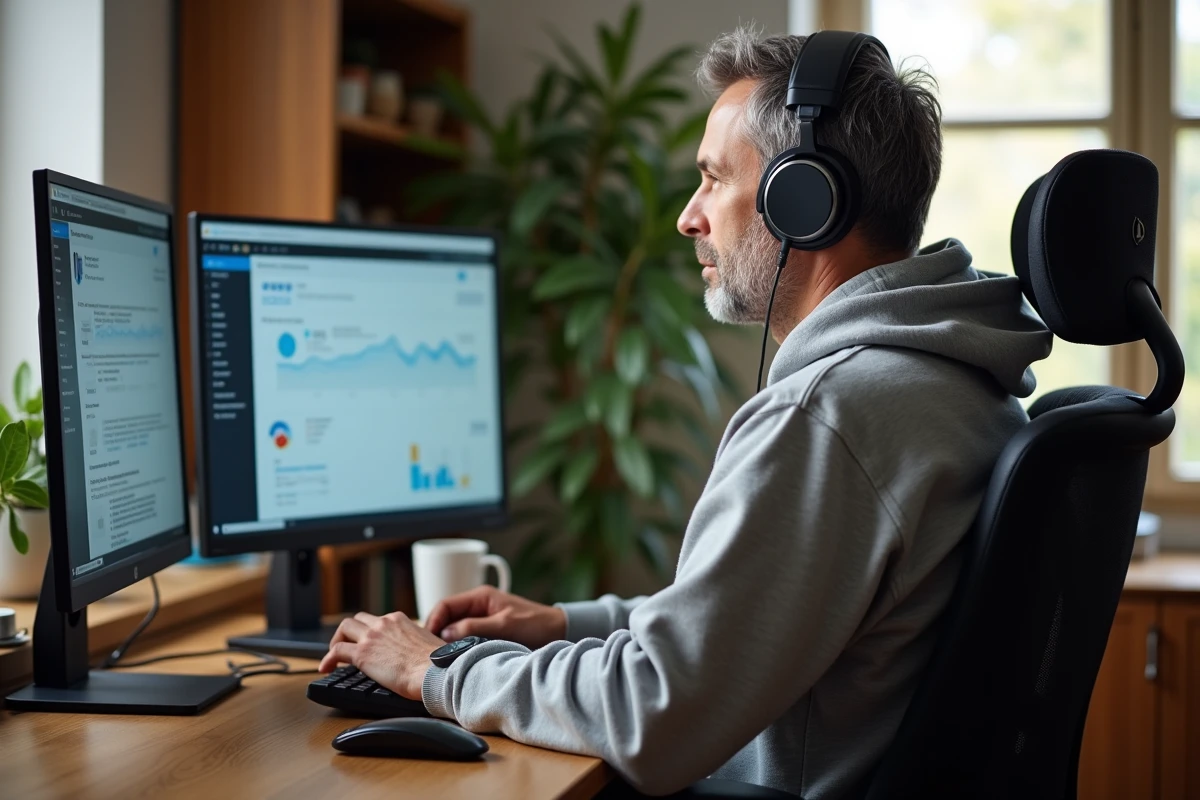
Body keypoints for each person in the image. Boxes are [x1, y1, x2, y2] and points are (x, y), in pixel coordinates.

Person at [318, 27, 1053, 799]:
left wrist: (436, 667)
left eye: (713, 178)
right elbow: (759, 622)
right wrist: (567, 625)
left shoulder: (830, 415)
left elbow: (654, 714)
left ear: (805, 199)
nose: (688, 217)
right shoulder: (947, 380)